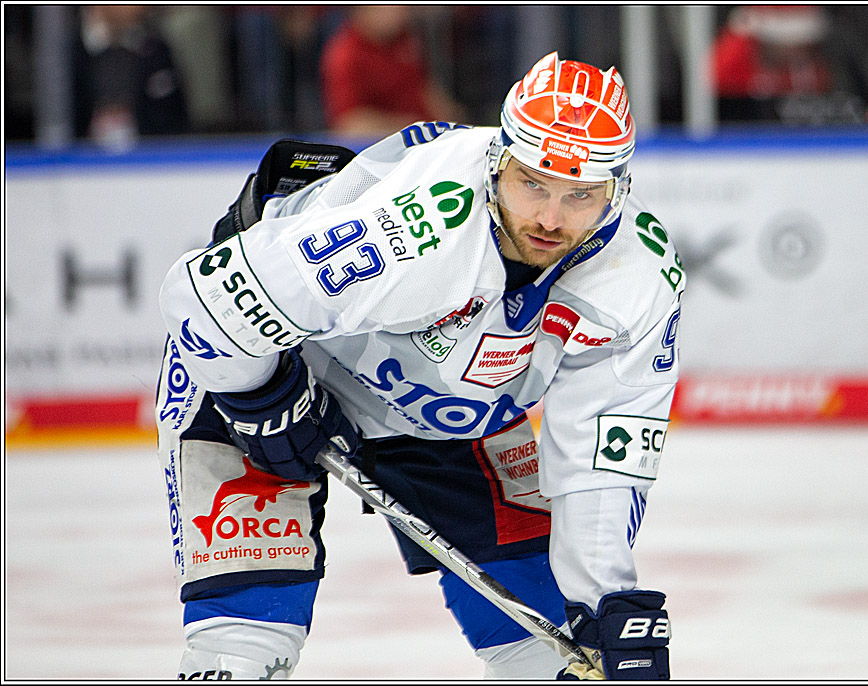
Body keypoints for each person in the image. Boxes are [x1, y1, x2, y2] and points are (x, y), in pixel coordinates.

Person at [157, 52, 682, 679]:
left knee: (554, 650)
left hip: (458, 413)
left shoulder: (636, 277)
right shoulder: (421, 227)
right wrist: (263, 397)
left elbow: (606, 444)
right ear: (498, 162)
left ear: (617, 189)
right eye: (533, 182)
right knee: (243, 647)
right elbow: (200, 300)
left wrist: (605, 601)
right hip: (262, 361)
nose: (549, 217)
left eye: (580, 195)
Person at [320, 5, 465, 138]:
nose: (401, 10)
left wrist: (452, 121)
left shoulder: (405, 39)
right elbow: (349, 124)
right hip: (393, 147)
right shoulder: (344, 55)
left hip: (431, 138)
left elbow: (422, 88)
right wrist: (412, 127)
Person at [72, 5, 188, 149]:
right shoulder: (67, 55)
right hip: (77, 163)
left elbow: (174, 122)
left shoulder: (155, 51)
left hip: (148, 161)